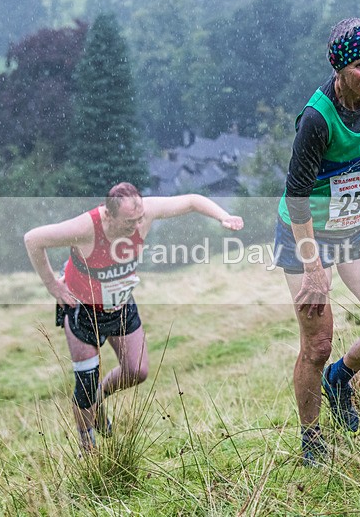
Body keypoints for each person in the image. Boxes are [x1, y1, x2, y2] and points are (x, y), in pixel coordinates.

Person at [274, 17, 360, 464]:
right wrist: (313, 266)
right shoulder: (317, 118)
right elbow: (296, 195)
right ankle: (311, 439)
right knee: (316, 344)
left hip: (359, 227)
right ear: (340, 71)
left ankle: (342, 376)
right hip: (306, 233)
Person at [24, 183, 243, 452]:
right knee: (85, 383)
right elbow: (33, 239)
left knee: (137, 371)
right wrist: (52, 286)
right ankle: (88, 446)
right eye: (129, 222)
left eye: (140, 218)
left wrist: (223, 216)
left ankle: (100, 396)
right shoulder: (86, 227)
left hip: (121, 304)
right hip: (83, 308)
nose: (137, 225)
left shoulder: (144, 213)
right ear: (109, 215)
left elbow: (191, 200)